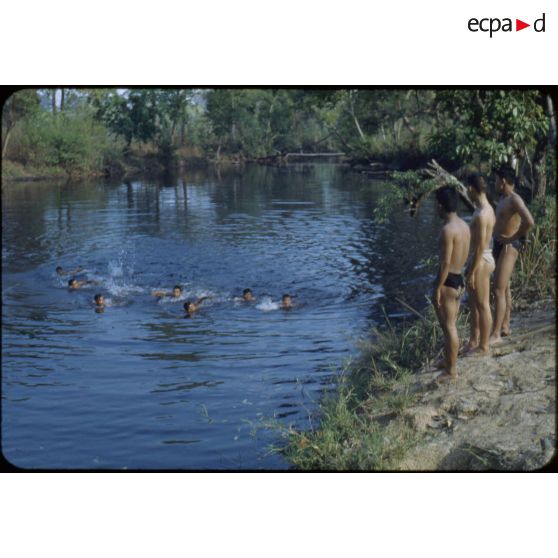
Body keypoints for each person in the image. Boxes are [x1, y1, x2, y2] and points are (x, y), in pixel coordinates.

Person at [490, 166, 535, 345]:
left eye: (495, 179)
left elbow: (529, 221)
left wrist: (514, 237)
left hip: (510, 247)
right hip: (499, 245)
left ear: (503, 181)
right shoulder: (502, 198)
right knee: (505, 288)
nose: (494, 183)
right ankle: (505, 326)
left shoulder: (515, 199)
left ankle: (495, 335)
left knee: (498, 290)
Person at [432, 186, 471, 382]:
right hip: (459, 277)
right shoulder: (465, 225)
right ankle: (448, 361)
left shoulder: (448, 230)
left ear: (440, 206)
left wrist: (437, 287)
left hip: (449, 280)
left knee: (449, 327)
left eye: (435, 205)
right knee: (450, 325)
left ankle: (452, 371)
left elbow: (446, 262)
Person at [463, 174, 496, 356]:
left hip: (482, 260)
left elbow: (481, 245)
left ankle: (484, 346)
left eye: (468, 188)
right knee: (474, 304)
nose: (467, 192)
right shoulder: (484, 208)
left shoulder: (484, 213)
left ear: (471, 189)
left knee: (482, 304)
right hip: (479, 259)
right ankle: (473, 341)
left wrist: (472, 271)